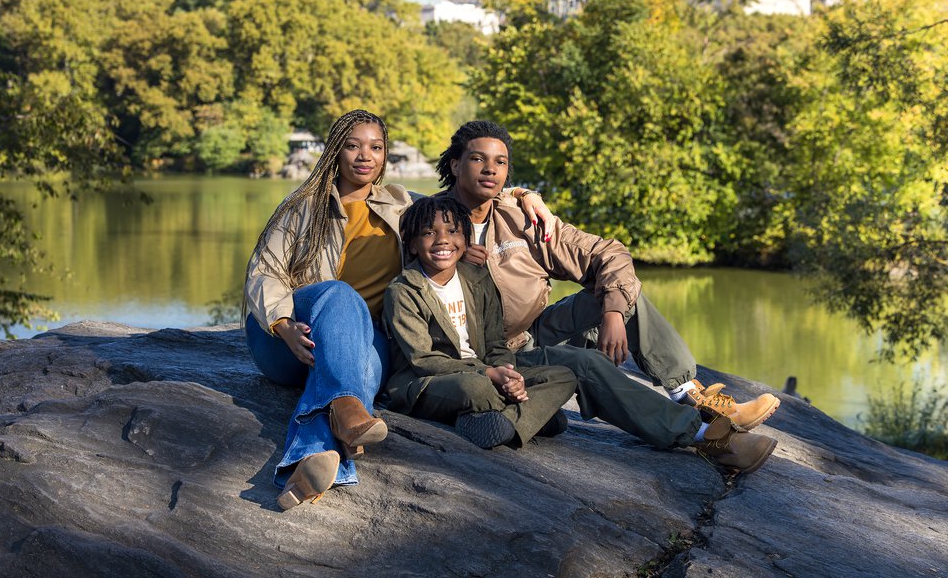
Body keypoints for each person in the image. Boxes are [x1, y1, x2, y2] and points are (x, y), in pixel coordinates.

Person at [244, 110, 555, 510]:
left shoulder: (400, 203)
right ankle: (345, 408)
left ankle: (316, 458)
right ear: (336, 151)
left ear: (385, 154)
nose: (364, 156)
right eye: (353, 146)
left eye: (376, 147)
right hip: (289, 337)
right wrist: (283, 324)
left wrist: (524, 195)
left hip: (359, 338)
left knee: (373, 365)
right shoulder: (304, 206)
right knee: (340, 295)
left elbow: (465, 196)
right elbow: (263, 273)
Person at [435, 120, 781, 474]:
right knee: (587, 365)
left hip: (526, 336)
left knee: (618, 290)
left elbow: (609, 254)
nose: (491, 169)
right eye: (479, 159)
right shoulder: (426, 223)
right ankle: (705, 437)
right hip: (480, 354)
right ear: (456, 164)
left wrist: (613, 313)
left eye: (501, 162)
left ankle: (692, 395)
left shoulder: (523, 220)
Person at [383, 196, 577, 448]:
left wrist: (508, 375)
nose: (442, 239)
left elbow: (496, 343)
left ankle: (500, 421)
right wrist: (487, 373)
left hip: (487, 371)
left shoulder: (477, 278)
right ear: (412, 245)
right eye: (429, 232)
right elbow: (423, 360)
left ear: (465, 241)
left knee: (563, 376)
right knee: (476, 388)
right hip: (427, 381)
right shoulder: (403, 290)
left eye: (453, 231)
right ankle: (531, 416)